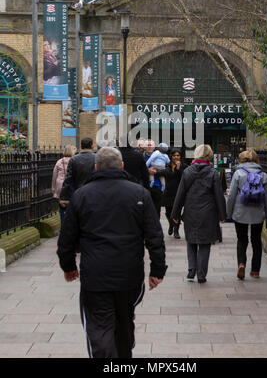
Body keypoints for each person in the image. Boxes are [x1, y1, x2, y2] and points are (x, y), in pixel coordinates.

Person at [57, 147, 167, 358]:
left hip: (96, 274)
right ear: (122, 166)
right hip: (130, 274)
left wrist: (68, 265)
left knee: (99, 327)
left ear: (96, 167)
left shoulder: (81, 195)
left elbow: (67, 237)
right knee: (124, 322)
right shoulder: (140, 193)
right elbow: (154, 235)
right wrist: (157, 269)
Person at [171, 144, 226, 283]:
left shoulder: (188, 171)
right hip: (208, 212)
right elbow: (219, 195)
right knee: (205, 243)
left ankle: (191, 269)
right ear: (209, 155)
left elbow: (180, 194)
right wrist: (222, 215)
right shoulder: (212, 172)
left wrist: (175, 214)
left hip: (190, 210)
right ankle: (201, 274)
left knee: (191, 241)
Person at [226, 149, 267, 280]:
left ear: (242, 160)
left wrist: (228, 214)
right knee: (256, 240)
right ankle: (255, 271)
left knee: (242, 240)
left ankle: (241, 263)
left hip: (240, 213)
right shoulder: (264, 175)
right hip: (257, 214)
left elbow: (231, 196)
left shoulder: (238, 173)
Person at [59, 137, 95, 208]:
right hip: (93, 193)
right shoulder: (97, 158)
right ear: (92, 146)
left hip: (78, 193)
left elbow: (68, 179)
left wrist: (63, 198)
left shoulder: (74, 159)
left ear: (81, 146)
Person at [161, 149, 187, 239]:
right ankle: (171, 224)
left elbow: (184, 177)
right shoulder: (167, 166)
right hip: (168, 193)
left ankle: (176, 231)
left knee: (177, 213)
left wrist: (179, 168)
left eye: (178, 155)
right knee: (168, 213)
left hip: (178, 193)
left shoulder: (184, 166)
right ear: (171, 157)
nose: (176, 157)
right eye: (174, 155)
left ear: (180, 157)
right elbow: (162, 173)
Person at [52, 145, 76, 222]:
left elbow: (54, 176)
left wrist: (54, 189)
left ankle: (63, 223)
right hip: (71, 186)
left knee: (62, 206)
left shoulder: (59, 161)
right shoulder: (75, 160)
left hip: (60, 185)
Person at [144, 139, 163, 217]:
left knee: (156, 211)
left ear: (154, 147)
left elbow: (166, 171)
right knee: (145, 211)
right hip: (145, 187)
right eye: (147, 145)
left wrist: (156, 172)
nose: (149, 147)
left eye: (150, 145)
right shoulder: (141, 157)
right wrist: (147, 171)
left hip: (157, 186)